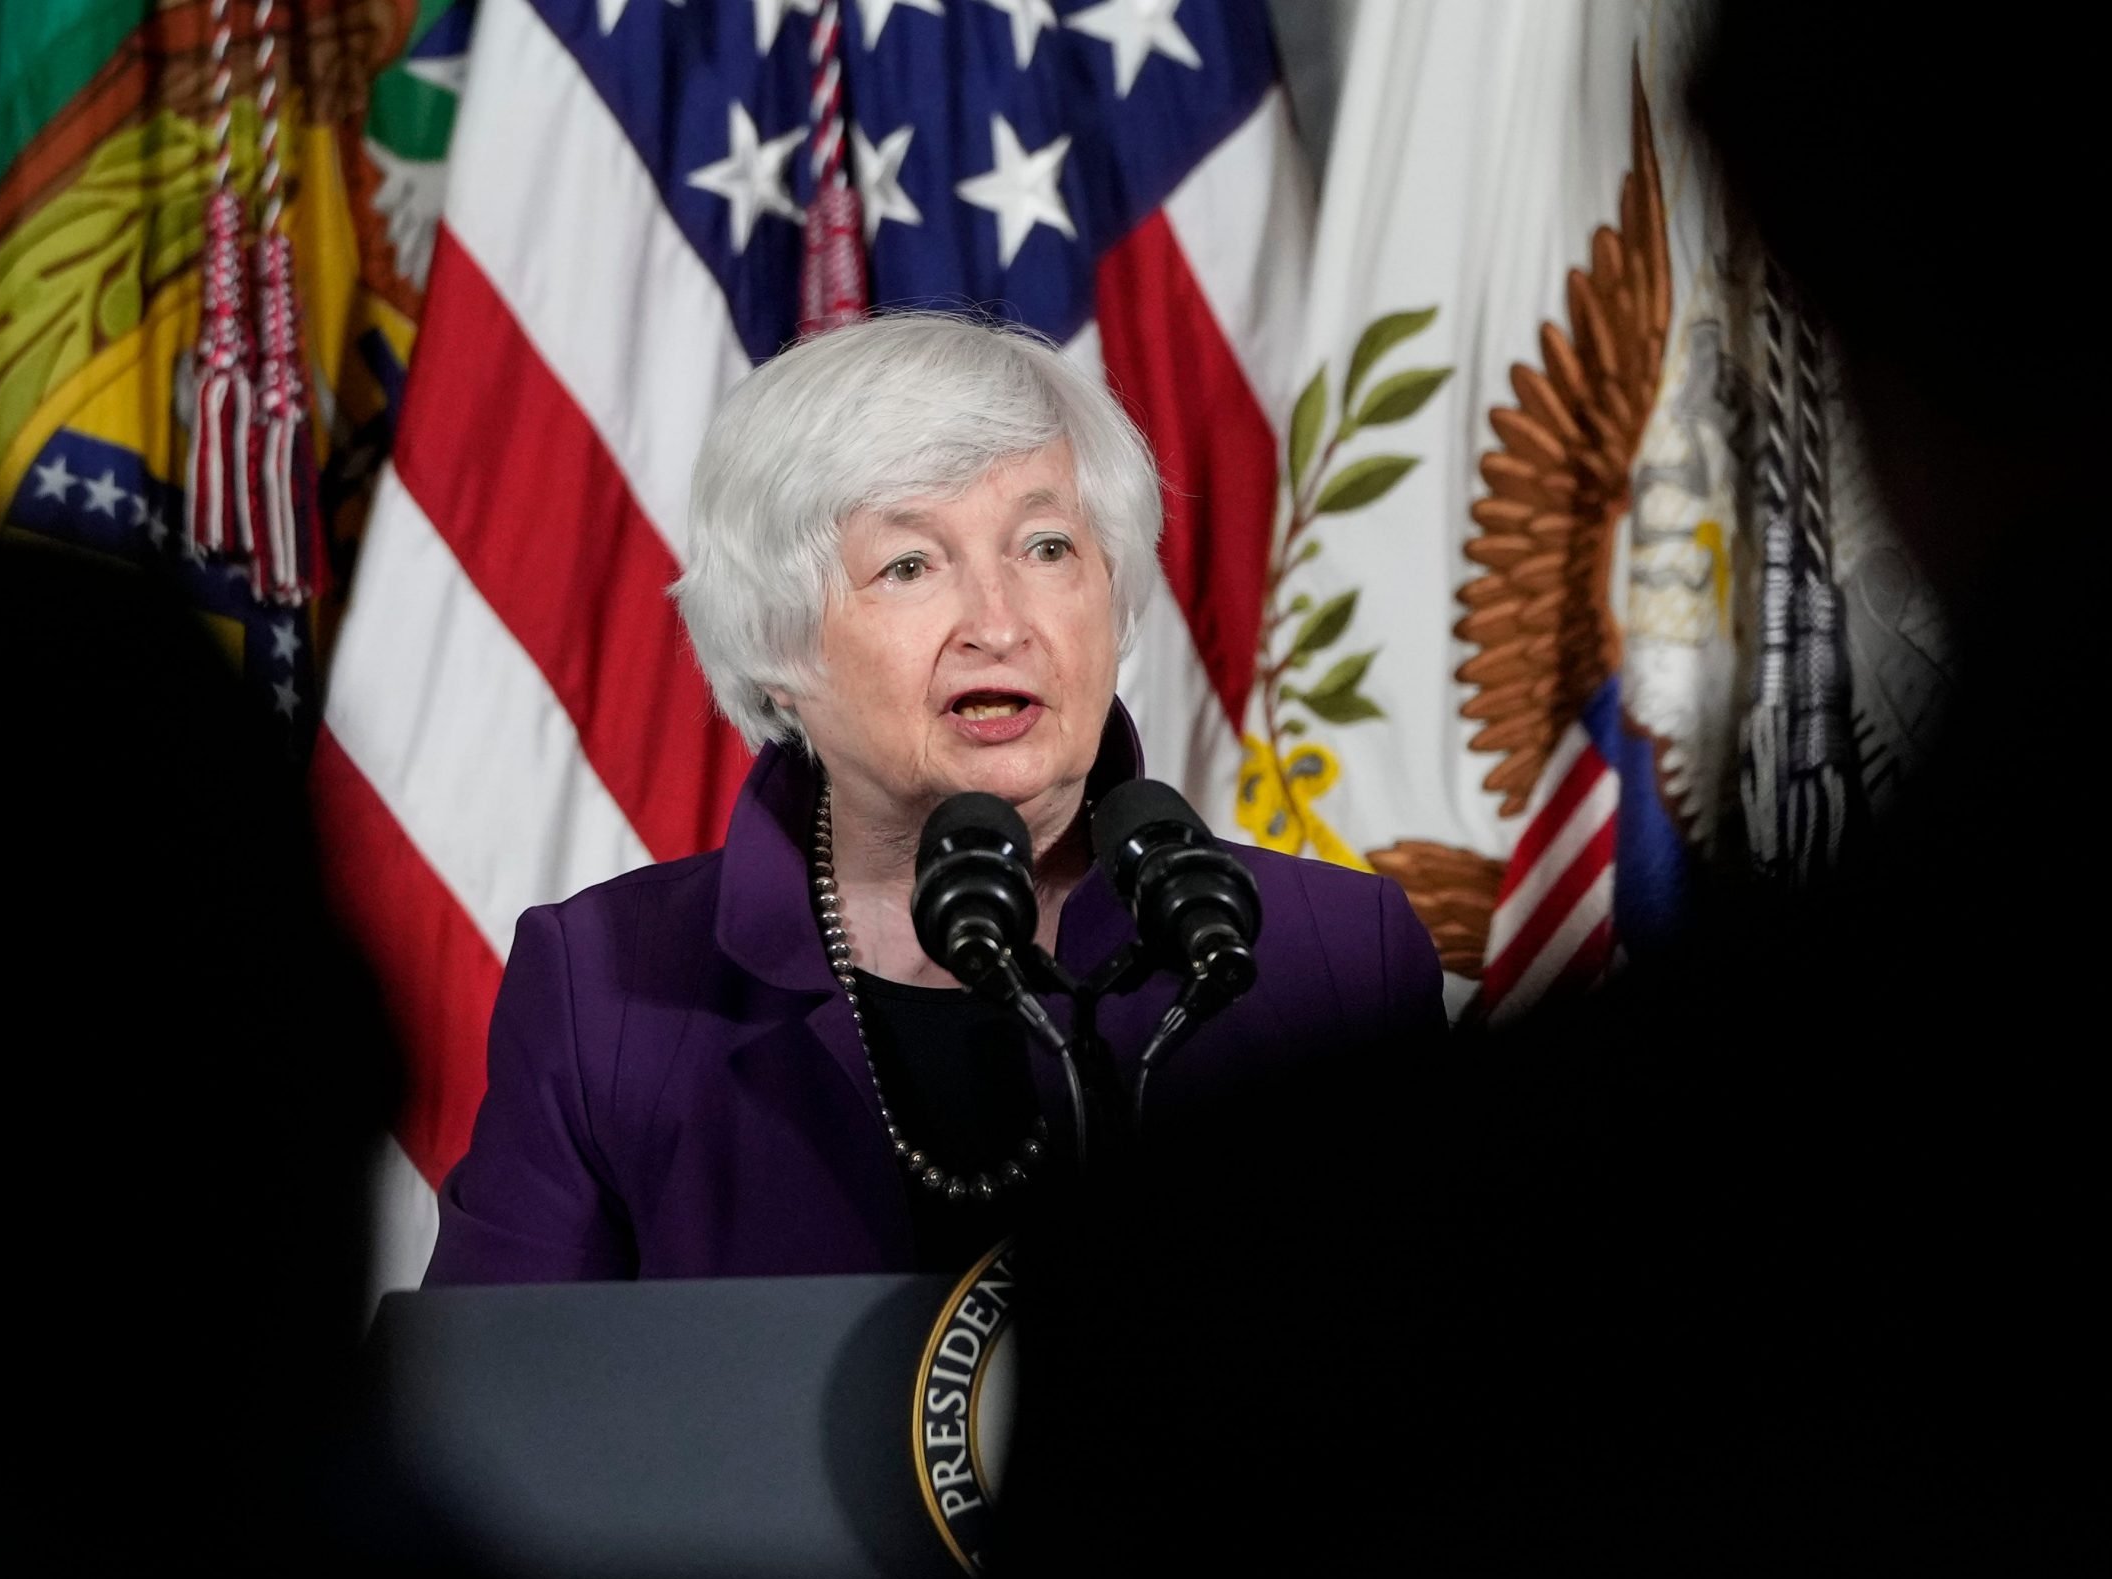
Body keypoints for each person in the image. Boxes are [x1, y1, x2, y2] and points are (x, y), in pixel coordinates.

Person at [425, 310, 1448, 1286]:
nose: (998, 623)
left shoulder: (1336, 959)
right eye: (910, 564)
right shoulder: (606, 991)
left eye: (1047, 548)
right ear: (778, 648)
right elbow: (499, 1416)